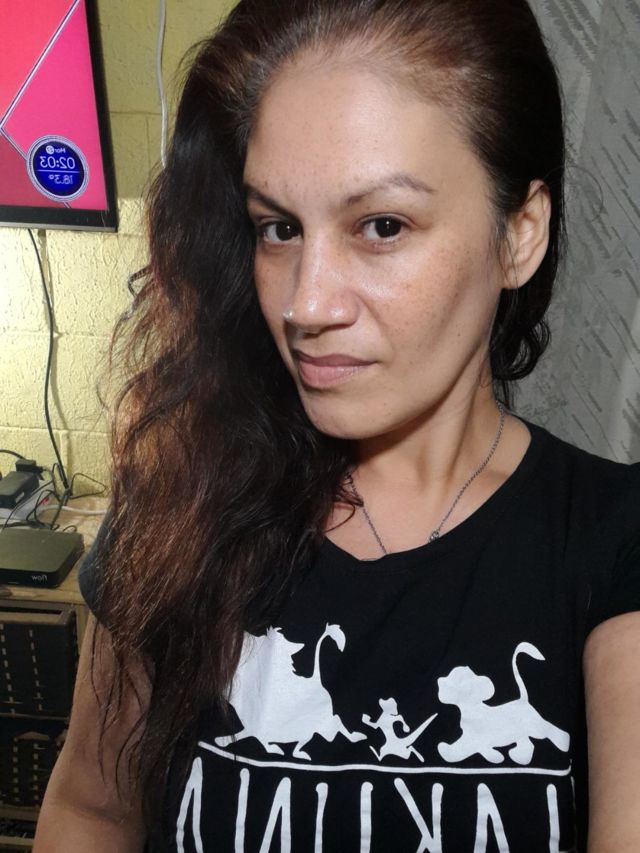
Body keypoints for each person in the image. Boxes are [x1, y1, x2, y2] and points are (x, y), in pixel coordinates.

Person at [34, 0, 640, 851]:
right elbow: (91, 810)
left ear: (519, 234)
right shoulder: (184, 496)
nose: (306, 303)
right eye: (279, 228)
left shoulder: (612, 539)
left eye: (382, 226)